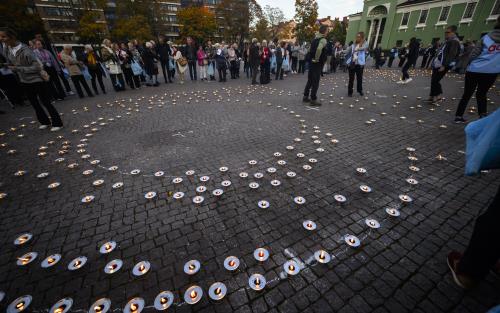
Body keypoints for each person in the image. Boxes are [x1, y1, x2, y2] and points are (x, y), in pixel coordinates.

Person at [0, 27, 63, 131]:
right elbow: (13, 62)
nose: (1, 39)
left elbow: (37, 67)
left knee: (46, 102)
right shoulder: (6, 48)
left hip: (36, 79)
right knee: (34, 103)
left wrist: (17, 68)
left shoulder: (26, 50)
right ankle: (44, 121)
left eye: (3, 36)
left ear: (12, 37)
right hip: (24, 80)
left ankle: (57, 123)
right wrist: (7, 65)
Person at [454, 17, 500, 123]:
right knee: (482, 94)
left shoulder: (487, 37)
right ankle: (482, 117)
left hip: (474, 70)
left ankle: (458, 116)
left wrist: (470, 65)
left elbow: (474, 54)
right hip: (491, 72)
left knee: (467, 94)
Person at [426, 25, 461, 104]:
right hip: (438, 63)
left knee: (436, 80)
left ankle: (438, 96)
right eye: (445, 32)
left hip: (443, 64)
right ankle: (432, 96)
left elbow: (451, 54)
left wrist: (444, 65)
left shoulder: (454, 41)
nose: (446, 33)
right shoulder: (448, 40)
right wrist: (432, 64)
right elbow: (439, 52)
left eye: (448, 32)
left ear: (453, 32)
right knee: (434, 80)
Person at [302, 25, 328, 106]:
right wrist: (317, 59)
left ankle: (305, 96)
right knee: (315, 81)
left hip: (311, 63)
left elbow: (309, 50)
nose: (328, 32)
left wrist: (311, 58)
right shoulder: (323, 40)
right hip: (317, 63)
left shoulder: (314, 39)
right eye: (327, 30)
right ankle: (313, 99)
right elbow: (319, 49)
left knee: (310, 80)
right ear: (325, 31)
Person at [344, 32, 368, 97]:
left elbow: (364, 48)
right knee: (351, 79)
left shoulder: (365, 43)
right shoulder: (353, 45)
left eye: (359, 37)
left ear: (362, 38)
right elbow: (347, 51)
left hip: (360, 64)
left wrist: (357, 48)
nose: (357, 38)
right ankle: (350, 92)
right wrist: (341, 52)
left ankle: (360, 90)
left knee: (359, 78)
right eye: (357, 36)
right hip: (352, 64)